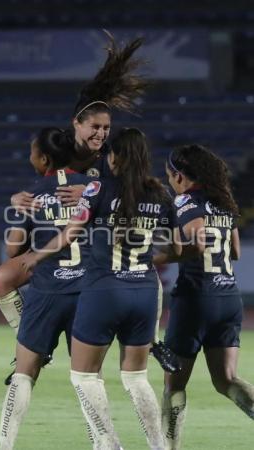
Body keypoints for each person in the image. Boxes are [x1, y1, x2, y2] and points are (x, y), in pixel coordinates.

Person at [22, 128, 178, 449]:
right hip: (145, 292)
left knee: (83, 375)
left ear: (115, 157)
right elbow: (178, 247)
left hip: (104, 291)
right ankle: (160, 446)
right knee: (136, 379)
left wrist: (38, 254)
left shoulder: (98, 189)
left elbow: (70, 232)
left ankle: (109, 443)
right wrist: (150, 256)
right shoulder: (160, 195)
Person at [0, 126, 95, 450]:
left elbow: (13, 250)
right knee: (87, 378)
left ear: (43, 158)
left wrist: (18, 213)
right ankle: (104, 443)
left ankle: (5, 446)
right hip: (89, 292)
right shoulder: (93, 189)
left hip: (47, 291)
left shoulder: (33, 193)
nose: (30, 157)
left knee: (24, 374)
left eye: (31, 152)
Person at [155, 144, 254, 450]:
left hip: (196, 298)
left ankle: (168, 448)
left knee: (174, 385)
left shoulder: (185, 200)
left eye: (170, 175)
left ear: (181, 176)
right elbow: (235, 251)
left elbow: (196, 243)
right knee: (226, 380)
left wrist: (149, 257)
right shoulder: (223, 202)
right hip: (228, 298)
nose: (170, 181)